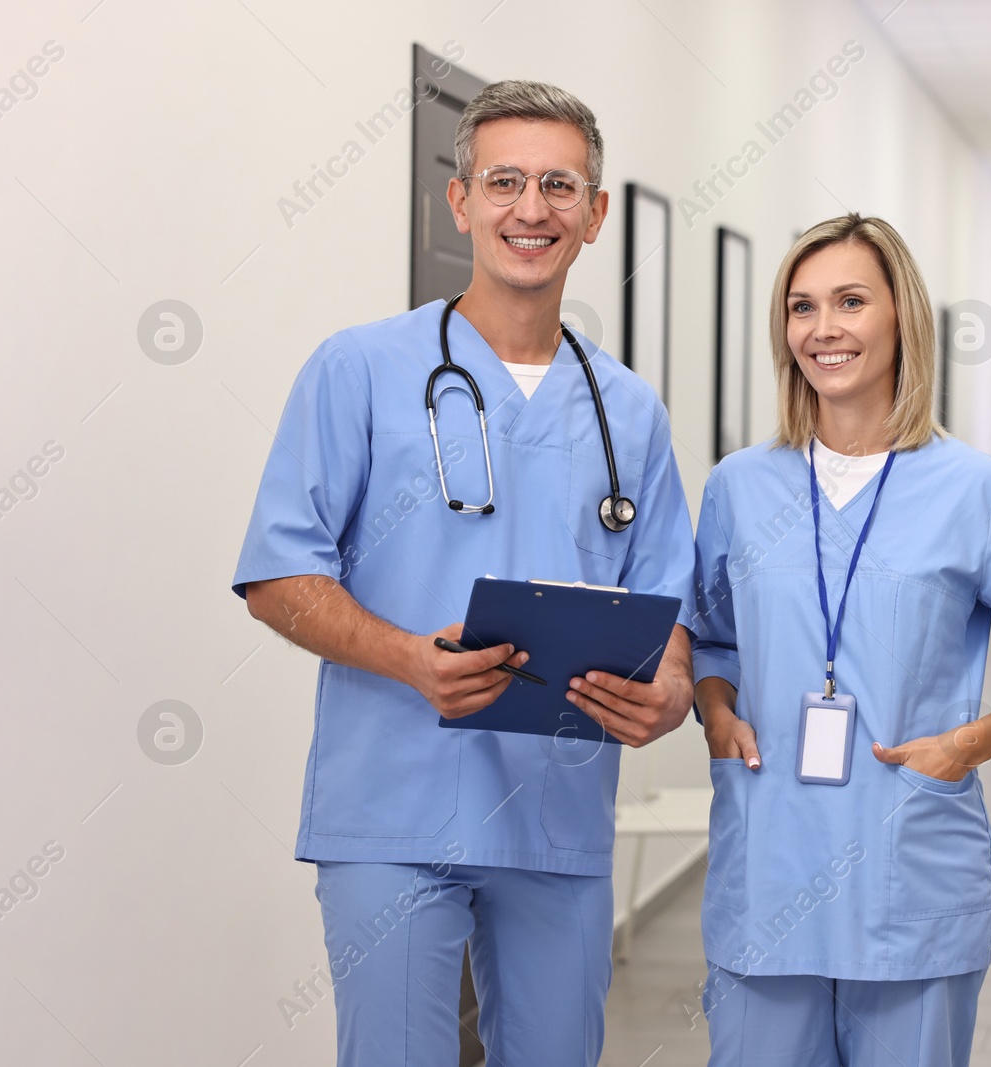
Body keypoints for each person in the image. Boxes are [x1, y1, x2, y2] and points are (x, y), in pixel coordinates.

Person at [231, 81, 695, 1066]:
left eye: (560, 186)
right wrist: (406, 656)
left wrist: (673, 691)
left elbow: (668, 604)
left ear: (596, 213)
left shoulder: (629, 411)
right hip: (393, 804)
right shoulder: (357, 369)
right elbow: (279, 571)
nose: (533, 209)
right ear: (460, 201)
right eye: (506, 182)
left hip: (554, 812)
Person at [689, 214, 991, 1067]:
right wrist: (715, 706)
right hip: (770, 858)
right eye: (802, 307)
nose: (823, 328)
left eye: (850, 301)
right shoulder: (739, 485)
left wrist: (968, 743)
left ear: (901, 319)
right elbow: (711, 638)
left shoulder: (979, 491)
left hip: (907, 862)